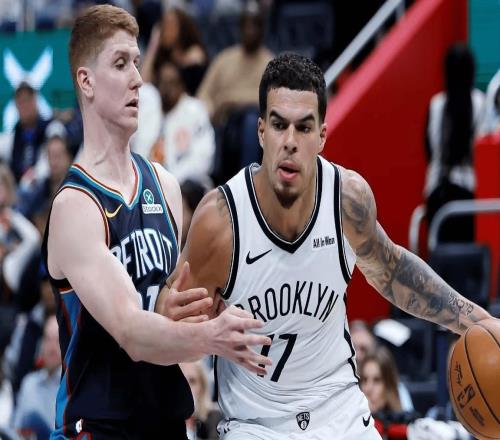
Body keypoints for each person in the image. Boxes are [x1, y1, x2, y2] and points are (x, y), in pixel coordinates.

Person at [163, 53, 497, 439]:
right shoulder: (221, 221)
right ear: (261, 131)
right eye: (279, 125)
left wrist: (480, 321)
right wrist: (202, 333)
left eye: (304, 127)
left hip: (339, 412)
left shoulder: (346, 199)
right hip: (256, 426)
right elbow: (168, 326)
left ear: (322, 136)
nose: (290, 142)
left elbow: (392, 270)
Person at [41, 5, 271, 439]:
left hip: (164, 421)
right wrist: (214, 336)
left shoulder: (165, 186)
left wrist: (211, 313)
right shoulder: (75, 206)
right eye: (120, 63)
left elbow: (177, 322)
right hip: (99, 427)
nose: (137, 79)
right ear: (86, 81)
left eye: (136, 62)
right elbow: (131, 332)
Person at [424, 43, 485, 242]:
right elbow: (483, 154)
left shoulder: (435, 104)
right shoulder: (480, 103)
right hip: (471, 197)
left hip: (436, 196)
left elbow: (430, 152)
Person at [12, 314, 61, 440]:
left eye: (58, 340)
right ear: (41, 343)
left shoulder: (72, 387)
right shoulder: (29, 383)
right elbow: (16, 429)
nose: (52, 347)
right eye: (48, 339)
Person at [180, 361, 222, 440]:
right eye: (181, 380)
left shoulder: (215, 419)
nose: (186, 387)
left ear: (202, 386)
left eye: (192, 381)